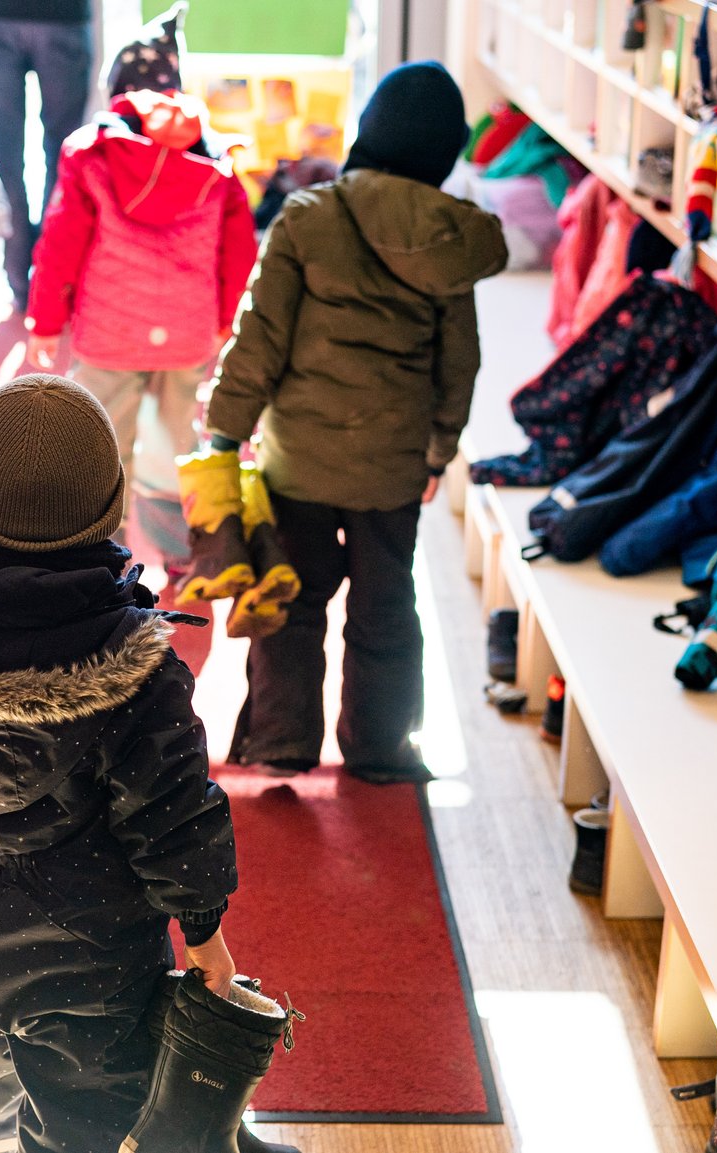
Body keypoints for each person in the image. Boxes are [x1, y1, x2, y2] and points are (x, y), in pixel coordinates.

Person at [0, 374, 240, 1153]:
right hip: (97, 962)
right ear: (112, 500)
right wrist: (203, 932)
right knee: (87, 1124)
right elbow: (173, 815)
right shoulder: (136, 667)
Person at [205, 62, 508, 783]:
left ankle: (283, 737)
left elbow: (260, 338)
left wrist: (224, 431)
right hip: (391, 466)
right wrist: (437, 454)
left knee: (291, 599)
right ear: (445, 152)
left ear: (369, 133)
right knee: (386, 608)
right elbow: (458, 364)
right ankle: (378, 746)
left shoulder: (308, 218)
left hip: (297, 460)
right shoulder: (447, 243)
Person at [25, 13, 255, 582]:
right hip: (185, 330)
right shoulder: (215, 160)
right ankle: (184, 557)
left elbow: (60, 243)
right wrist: (225, 320)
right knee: (181, 445)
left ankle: (106, 563)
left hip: (110, 334)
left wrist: (45, 321)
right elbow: (238, 250)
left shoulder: (90, 153)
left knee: (104, 447)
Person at [0, 0, 94, 302]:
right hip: (60, 18)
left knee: (7, 149)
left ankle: (19, 265)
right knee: (63, 150)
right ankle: (49, 270)